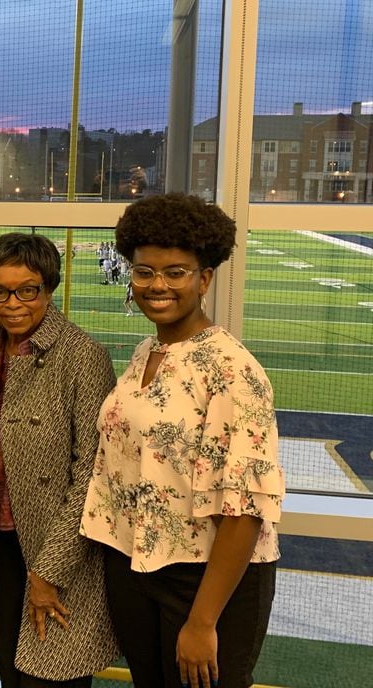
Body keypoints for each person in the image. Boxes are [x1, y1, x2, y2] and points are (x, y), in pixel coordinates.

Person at [81, 193, 285, 688]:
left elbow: (245, 506)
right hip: (138, 565)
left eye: (176, 272)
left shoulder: (232, 369)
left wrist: (202, 621)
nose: (157, 286)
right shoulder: (146, 350)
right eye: (145, 271)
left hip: (206, 581)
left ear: (204, 278)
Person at [0, 232, 119, 687]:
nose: (13, 303)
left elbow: (92, 473)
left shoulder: (82, 356)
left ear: (49, 289)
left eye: (28, 290)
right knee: (13, 673)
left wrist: (49, 571)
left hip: (55, 552)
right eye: (0, 291)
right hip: (1, 544)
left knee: (50, 677)